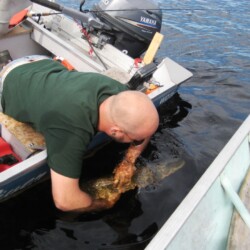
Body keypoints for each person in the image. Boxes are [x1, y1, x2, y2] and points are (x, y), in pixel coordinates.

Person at [0, 55, 159, 212]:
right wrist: (105, 203)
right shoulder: (70, 129)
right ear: (115, 131)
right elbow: (65, 201)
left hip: (41, 62)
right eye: (136, 140)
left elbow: (144, 129)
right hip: (8, 80)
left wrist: (129, 161)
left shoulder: (120, 94)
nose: (138, 141)